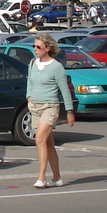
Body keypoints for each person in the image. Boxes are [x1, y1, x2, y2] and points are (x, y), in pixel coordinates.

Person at [27, 33, 75, 188]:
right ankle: (57, 177)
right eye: (34, 46)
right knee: (48, 144)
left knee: (39, 140)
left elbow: (65, 91)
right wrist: (28, 97)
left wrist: (69, 111)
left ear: (47, 48)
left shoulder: (56, 67)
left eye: (38, 47)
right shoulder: (33, 63)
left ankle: (41, 177)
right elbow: (30, 82)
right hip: (35, 107)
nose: (35, 49)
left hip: (50, 107)